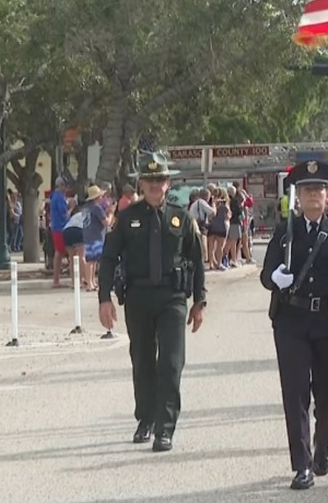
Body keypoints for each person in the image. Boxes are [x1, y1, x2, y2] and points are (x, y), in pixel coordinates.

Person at [260, 160, 328, 489]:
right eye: (307, 191)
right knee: (295, 395)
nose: (314, 196)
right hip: (291, 321)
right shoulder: (284, 230)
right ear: (298, 197)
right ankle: (301, 464)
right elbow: (266, 274)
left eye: (319, 189)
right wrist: (275, 277)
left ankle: (322, 446)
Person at [98, 152, 206, 453]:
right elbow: (108, 259)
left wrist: (200, 302)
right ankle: (145, 418)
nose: (155, 185)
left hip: (172, 298)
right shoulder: (128, 218)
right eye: (149, 180)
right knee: (143, 362)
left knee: (171, 364)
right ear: (141, 184)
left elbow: (197, 261)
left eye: (160, 179)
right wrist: (104, 298)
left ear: (168, 183)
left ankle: (165, 428)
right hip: (138, 297)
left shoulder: (182, 218)